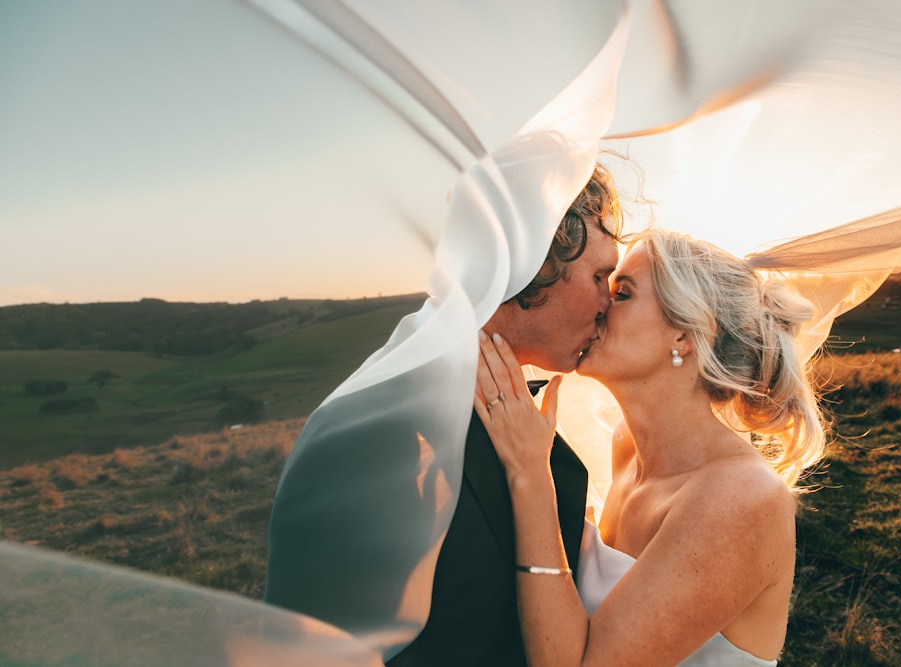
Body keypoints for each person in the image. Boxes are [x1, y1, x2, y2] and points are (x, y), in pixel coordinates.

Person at [265, 163, 625, 666]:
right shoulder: (372, 430)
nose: (610, 303)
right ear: (533, 268)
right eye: (599, 276)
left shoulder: (512, 401)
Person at [474, 229, 828, 666]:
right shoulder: (626, 450)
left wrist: (530, 475)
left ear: (684, 335)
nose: (599, 305)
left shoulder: (743, 497)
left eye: (621, 293)